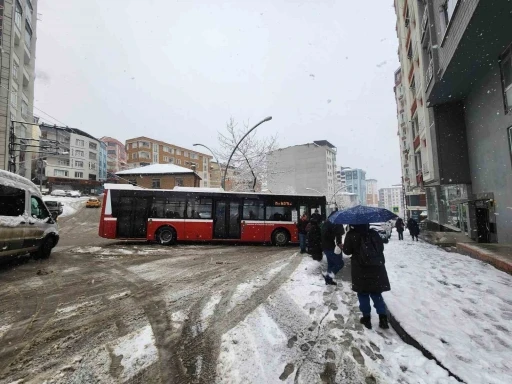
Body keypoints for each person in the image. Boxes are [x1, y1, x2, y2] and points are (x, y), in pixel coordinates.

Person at [343, 224, 391, 330]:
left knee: (363, 293)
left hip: (360, 269)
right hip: (376, 268)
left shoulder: (351, 235)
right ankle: (383, 318)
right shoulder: (373, 233)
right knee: (376, 293)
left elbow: (347, 251)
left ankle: (366, 318)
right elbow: (381, 248)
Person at [321, 212, 345, 285]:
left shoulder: (327, 222)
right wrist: (339, 244)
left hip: (325, 246)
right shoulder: (336, 223)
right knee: (340, 263)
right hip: (331, 247)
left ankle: (328, 281)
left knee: (331, 264)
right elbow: (339, 235)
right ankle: (328, 276)